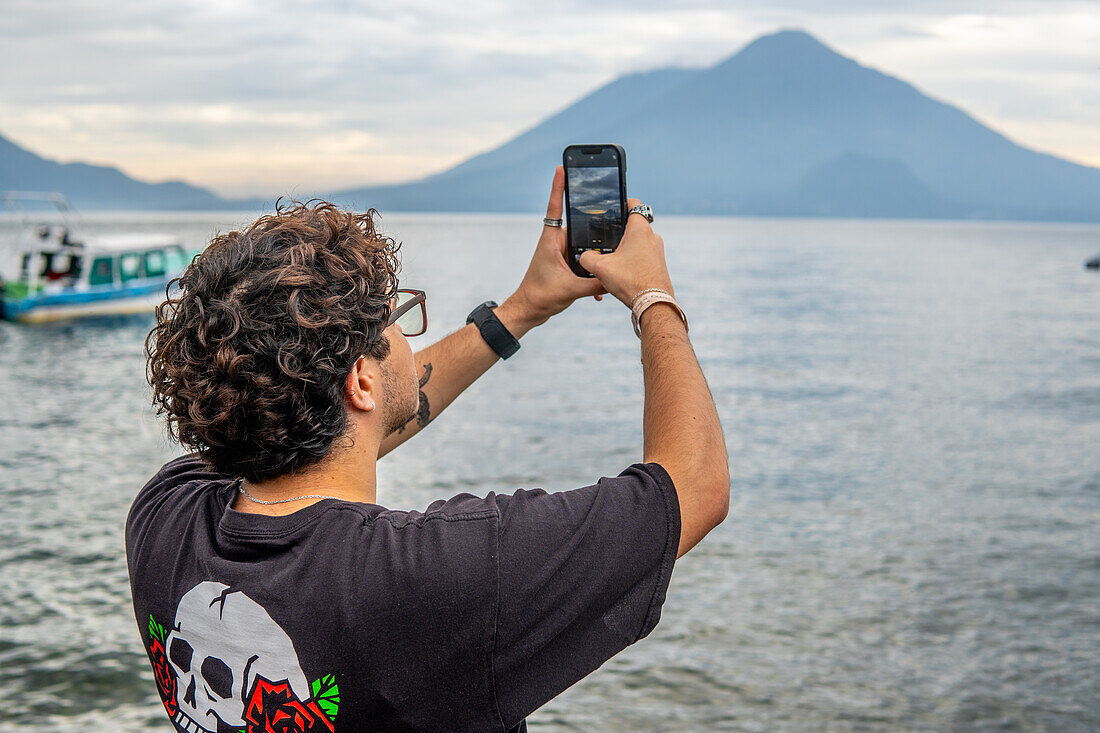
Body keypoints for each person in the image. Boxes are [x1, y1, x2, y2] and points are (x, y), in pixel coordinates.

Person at [128, 167, 729, 733]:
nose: (406, 339)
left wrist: (521, 310)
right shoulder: (442, 578)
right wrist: (654, 297)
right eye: (396, 322)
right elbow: (692, 489)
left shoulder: (162, 518)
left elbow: (357, 415)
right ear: (360, 381)